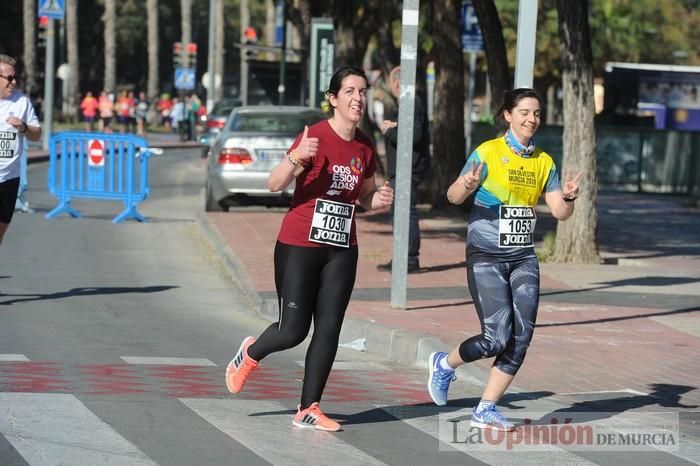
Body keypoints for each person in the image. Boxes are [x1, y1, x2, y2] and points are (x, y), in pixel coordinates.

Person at [225, 66, 394, 432]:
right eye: (349, 91)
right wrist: (296, 157)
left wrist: (376, 199)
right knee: (293, 330)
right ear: (333, 99)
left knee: (330, 328)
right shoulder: (313, 137)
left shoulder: (365, 145)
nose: (358, 98)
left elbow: (363, 196)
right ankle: (250, 354)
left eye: (362, 91)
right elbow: (274, 183)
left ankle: (308, 407)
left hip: (342, 248)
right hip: (299, 244)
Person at [427, 88, 582, 431]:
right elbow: (453, 196)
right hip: (485, 256)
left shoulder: (544, 162)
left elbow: (560, 212)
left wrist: (569, 197)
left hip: (523, 257)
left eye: (537, 113)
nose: (531, 119)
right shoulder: (488, 152)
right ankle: (444, 363)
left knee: (521, 336)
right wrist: (467, 184)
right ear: (507, 115)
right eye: (524, 112)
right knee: (495, 337)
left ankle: (486, 408)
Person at [376, 66, 431, 273]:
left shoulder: (411, 101)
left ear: (397, 83)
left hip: (409, 168)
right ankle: (403, 257)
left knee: (405, 212)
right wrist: (395, 126)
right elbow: (410, 129)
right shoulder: (408, 102)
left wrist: (389, 130)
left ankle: (408, 259)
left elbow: (413, 137)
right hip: (403, 168)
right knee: (400, 212)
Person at [0, 54, 41, 246]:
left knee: (3, 224)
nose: (13, 82)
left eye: (14, 77)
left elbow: (36, 134)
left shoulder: (21, 102)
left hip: (9, 176)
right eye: (9, 78)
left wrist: (23, 127)